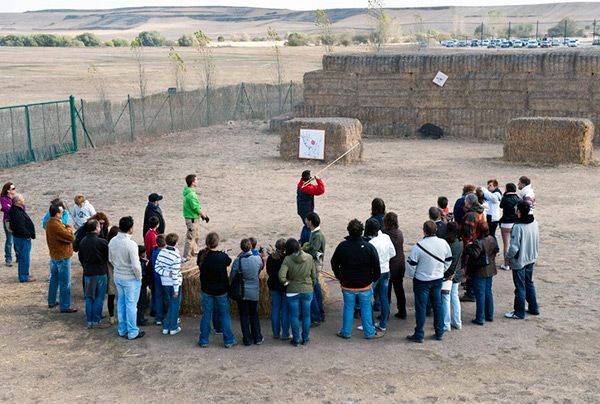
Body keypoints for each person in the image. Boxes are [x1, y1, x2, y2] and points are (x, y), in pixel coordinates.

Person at [330, 219, 382, 340]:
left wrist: (339, 276)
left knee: (348, 307)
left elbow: (334, 263)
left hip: (347, 284)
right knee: (366, 308)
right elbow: (377, 266)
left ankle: (346, 332)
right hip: (364, 284)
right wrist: (372, 279)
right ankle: (369, 332)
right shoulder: (369, 247)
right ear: (362, 231)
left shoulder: (343, 246)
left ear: (349, 231)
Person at [406, 220, 452, 343]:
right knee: (438, 305)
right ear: (436, 230)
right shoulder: (443, 243)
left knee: (421, 307)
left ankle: (419, 333)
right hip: (437, 279)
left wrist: (413, 276)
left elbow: (411, 265)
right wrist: (441, 270)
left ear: (424, 231)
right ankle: (439, 331)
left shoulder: (419, 246)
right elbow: (448, 260)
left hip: (422, 281)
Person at [197, 232, 236, 348]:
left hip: (207, 290)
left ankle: (204, 339)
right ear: (217, 243)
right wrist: (223, 253)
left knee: (206, 315)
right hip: (221, 290)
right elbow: (228, 262)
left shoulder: (202, 254)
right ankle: (228, 340)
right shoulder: (221, 256)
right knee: (224, 315)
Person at [108, 216, 144, 340]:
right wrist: (139, 277)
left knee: (121, 303)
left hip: (118, 275)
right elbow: (136, 265)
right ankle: (132, 331)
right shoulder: (131, 244)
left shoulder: (113, 241)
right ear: (130, 229)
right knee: (131, 305)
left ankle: (122, 329)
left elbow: (110, 259)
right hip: (130, 278)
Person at [505, 201, 540, 319]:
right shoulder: (534, 222)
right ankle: (534, 308)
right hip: (531, 257)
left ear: (519, 211)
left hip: (520, 260)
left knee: (520, 287)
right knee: (529, 283)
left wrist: (508, 257)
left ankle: (519, 312)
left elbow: (514, 247)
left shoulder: (518, 226)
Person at [279, 238, 316, 347]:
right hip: (307, 290)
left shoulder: (287, 259)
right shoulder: (309, 257)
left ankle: (296, 339)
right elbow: (314, 275)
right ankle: (305, 337)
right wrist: (311, 284)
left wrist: (286, 283)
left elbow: (281, 276)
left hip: (292, 291)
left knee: (294, 316)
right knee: (306, 316)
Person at [230, 238, 264, 346]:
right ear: (251, 247)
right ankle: (257, 337)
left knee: (244, 315)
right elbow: (260, 269)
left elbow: (232, 276)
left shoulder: (238, 261)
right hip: (254, 291)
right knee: (254, 314)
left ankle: (247, 339)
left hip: (242, 292)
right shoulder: (258, 259)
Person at [364, 218, 396, 332]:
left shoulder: (371, 243)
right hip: (386, 270)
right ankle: (383, 324)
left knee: (367, 298)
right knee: (384, 298)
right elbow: (393, 253)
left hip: (374, 273)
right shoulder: (386, 237)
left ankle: (370, 324)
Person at [78, 219, 110, 328]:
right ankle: (96, 320)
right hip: (100, 272)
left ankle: (89, 321)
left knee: (89, 297)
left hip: (88, 272)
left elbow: (81, 258)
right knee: (99, 297)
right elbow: (108, 257)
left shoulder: (83, 241)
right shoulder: (102, 242)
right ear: (96, 229)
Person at [45, 203, 76, 312]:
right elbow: (71, 237)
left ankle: (51, 301)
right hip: (62, 256)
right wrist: (68, 226)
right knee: (65, 282)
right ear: (57, 214)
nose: (62, 214)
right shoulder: (57, 225)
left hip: (54, 255)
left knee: (54, 279)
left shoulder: (49, 222)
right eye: (61, 212)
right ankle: (65, 306)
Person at [465, 221, 497, 325]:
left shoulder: (478, 242)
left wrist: (469, 246)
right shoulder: (492, 238)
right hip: (490, 269)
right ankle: (489, 315)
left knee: (480, 294)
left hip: (480, 271)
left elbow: (474, 255)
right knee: (488, 292)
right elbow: (496, 250)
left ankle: (480, 317)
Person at [154, 233, 183, 335]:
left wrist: (166, 273)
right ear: (176, 243)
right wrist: (176, 289)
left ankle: (166, 326)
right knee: (175, 305)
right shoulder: (176, 256)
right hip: (174, 284)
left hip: (164, 283)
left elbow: (157, 268)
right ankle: (173, 327)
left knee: (170, 304)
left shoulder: (161, 252)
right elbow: (175, 274)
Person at [460, 193, 487, 302]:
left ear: (469, 202)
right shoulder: (481, 212)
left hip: (471, 245)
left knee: (469, 268)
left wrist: (466, 245)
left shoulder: (471, 215)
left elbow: (467, 232)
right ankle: (471, 291)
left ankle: (470, 293)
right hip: (479, 243)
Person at [301, 211, 326, 326]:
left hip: (314, 266)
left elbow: (312, 250)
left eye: (306, 220)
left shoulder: (317, 235)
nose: (305, 221)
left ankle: (316, 316)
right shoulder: (315, 233)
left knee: (313, 292)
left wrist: (305, 247)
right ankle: (320, 314)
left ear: (310, 222)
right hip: (314, 265)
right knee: (316, 290)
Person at [383, 212, 406, 319]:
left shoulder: (385, 234)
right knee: (399, 288)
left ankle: (386, 312)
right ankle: (402, 310)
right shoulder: (399, 233)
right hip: (400, 264)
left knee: (386, 290)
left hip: (390, 265)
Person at [9, 194, 36, 282]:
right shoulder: (16, 212)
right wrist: (28, 235)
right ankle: (24, 277)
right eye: (22, 199)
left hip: (21, 237)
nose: (24, 200)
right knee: (24, 257)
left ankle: (25, 274)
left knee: (24, 257)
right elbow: (20, 227)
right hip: (22, 238)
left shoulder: (17, 209)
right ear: (18, 202)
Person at [266, 238, 290, 340]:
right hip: (284, 286)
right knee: (285, 310)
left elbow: (268, 271)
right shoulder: (287, 259)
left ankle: (275, 333)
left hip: (273, 286)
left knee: (275, 309)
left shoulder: (270, 258)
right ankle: (285, 333)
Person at [182, 174, 209, 260]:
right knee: (190, 237)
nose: (198, 181)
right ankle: (186, 256)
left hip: (193, 218)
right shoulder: (191, 195)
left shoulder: (190, 192)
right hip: (192, 219)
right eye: (196, 180)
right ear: (193, 182)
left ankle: (192, 252)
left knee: (195, 236)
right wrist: (204, 216)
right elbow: (196, 208)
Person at [442, 222, 462, 331]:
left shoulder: (446, 244)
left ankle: (446, 324)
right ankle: (457, 322)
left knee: (445, 298)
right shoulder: (460, 242)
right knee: (454, 297)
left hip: (447, 275)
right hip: (456, 273)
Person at [296, 170, 325, 244]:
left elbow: (314, 187)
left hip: (302, 209)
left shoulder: (302, 183)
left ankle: (303, 240)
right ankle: (307, 241)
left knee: (306, 226)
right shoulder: (305, 188)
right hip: (306, 210)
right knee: (309, 226)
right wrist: (318, 180)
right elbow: (320, 190)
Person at [499, 183, 520, 270]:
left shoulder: (505, 198)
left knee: (506, 244)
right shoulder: (518, 198)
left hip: (506, 222)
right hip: (515, 223)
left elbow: (501, 206)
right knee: (514, 243)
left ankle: (506, 264)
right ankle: (514, 262)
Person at [151, 234, 167, 326]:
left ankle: (159, 318)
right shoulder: (164, 253)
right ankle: (168, 316)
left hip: (156, 279)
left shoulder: (154, 251)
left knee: (158, 298)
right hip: (164, 278)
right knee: (167, 298)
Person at [1, 182, 17, 267]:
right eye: (13, 188)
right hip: (8, 221)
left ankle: (18, 256)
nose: (15, 190)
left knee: (17, 239)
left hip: (17, 221)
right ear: (8, 190)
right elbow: (6, 209)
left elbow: (22, 207)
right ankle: (8, 259)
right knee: (10, 240)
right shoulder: (4, 198)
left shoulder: (16, 197)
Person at [106, 226, 119, 324]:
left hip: (109, 273)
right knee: (120, 297)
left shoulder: (106, 244)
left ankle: (111, 316)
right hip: (117, 272)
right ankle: (118, 315)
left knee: (111, 296)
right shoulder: (117, 245)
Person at [136, 245, 150, 327]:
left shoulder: (140, 261)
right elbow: (144, 275)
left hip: (139, 286)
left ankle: (140, 318)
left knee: (139, 304)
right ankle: (140, 319)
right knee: (141, 304)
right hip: (142, 286)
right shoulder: (142, 264)